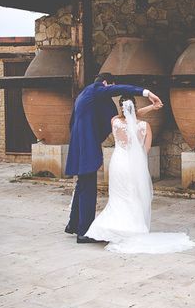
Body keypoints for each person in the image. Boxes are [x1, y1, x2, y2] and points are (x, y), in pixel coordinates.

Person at [85, 95, 195, 254]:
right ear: (135, 107)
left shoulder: (115, 121)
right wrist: (151, 107)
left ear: (121, 108)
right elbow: (145, 149)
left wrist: (138, 109)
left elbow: (127, 115)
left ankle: (115, 226)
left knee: (118, 195)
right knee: (133, 195)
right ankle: (134, 227)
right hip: (134, 165)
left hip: (118, 163)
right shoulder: (145, 126)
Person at [64, 72, 163, 243]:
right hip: (86, 147)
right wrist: (147, 93)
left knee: (82, 184)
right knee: (88, 188)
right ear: (105, 83)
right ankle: (84, 232)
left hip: (79, 145)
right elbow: (120, 89)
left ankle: (73, 225)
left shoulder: (83, 95)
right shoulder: (96, 89)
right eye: (110, 87)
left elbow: (72, 122)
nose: (111, 91)